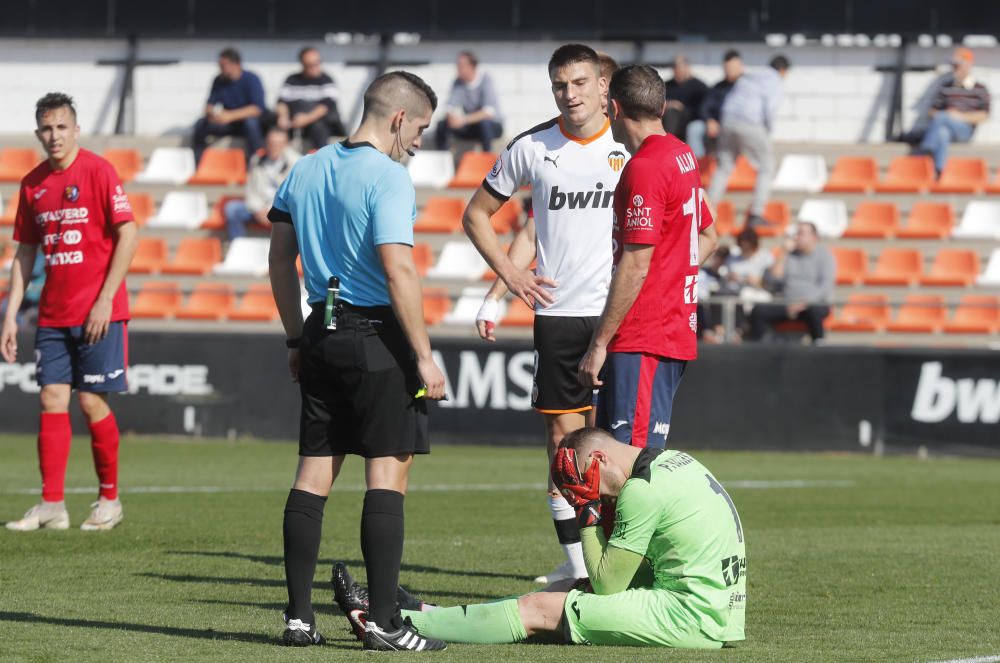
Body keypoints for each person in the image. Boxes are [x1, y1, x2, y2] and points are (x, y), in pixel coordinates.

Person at [267, 70, 448, 651]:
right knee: (387, 475)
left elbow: (278, 260)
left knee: (313, 475)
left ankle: (299, 620)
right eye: (419, 128)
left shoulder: (306, 166)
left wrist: (296, 337)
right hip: (376, 338)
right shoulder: (390, 177)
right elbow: (398, 269)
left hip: (320, 330)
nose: (418, 141)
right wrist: (423, 355)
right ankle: (387, 625)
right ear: (398, 118)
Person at [334, 427, 747, 649]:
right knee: (565, 588)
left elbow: (607, 585)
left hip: (691, 618)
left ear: (599, 459)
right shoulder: (674, 459)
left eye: (592, 487)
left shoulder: (641, 490)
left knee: (538, 608)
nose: (600, 498)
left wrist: (586, 514)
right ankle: (426, 609)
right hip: (715, 609)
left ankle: (394, 621)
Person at [464, 43, 628, 586]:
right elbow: (488, 218)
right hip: (559, 318)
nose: (570, 93)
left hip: (619, 315)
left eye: (580, 82)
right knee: (564, 447)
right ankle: (579, 567)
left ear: (604, 86)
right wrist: (503, 287)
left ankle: (624, 561)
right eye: (560, 84)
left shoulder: (632, 148)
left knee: (621, 443)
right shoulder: (533, 146)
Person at [2, 93, 138, 532]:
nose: (54, 135)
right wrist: (9, 313)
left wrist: (105, 297)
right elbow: (24, 252)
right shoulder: (32, 184)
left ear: (75, 129)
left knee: (90, 400)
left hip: (100, 311)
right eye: (46, 128)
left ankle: (109, 500)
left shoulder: (99, 171)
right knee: (50, 399)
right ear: (38, 132)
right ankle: (52, 505)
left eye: (61, 127)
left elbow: (129, 234)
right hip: (53, 315)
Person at [578, 65, 718, 449]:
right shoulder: (682, 154)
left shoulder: (646, 167)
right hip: (666, 330)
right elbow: (709, 235)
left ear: (615, 109)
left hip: (643, 335)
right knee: (615, 459)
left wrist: (599, 343)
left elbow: (637, 263)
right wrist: (671, 282)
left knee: (629, 460)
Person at [706, 55, 791, 228]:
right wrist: (767, 132)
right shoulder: (775, 80)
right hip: (751, 122)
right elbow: (770, 109)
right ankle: (756, 213)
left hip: (727, 121)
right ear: (783, 70)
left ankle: (705, 211)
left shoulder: (751, 76)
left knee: (723, 168)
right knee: (767, 167)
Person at [747, 221, 834, 343]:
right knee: (758, 310)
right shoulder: (789, 255)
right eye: (796, 233)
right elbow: (773, 281)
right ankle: (759, 348)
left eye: (801, 233)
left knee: (815, 311)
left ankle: (818, 344)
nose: (796, 237)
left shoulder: (825, 256)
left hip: (811, 304)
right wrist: (783, 253)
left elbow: (824, 287)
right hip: (787, 303)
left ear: (814, 237)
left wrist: (804, 302)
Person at [916, 47, 990, 176]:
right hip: (945, 128)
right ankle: (939, 171)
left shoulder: (980, 88)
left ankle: (926, 147)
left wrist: (958, 116)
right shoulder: (946, 87)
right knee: (942, 132)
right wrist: (947, 116)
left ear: (968, 65)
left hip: (965, 130)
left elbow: (984, 115)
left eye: (958, 65)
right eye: (953, 65)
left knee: (943, 117)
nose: (955, 69)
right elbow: (932, 111)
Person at [224, 126, 300, 239]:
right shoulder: (256, 160)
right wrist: (258, 209)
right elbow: (250, 190)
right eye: (271, 143)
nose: (274, 147)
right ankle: (239, 246)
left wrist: (271, 210)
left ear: (286, 145)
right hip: (259, 208)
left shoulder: (297, 163)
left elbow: (294, 196)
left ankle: (286, 253)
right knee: (232, 209)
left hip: (283, 210)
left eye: (279, 144)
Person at [192, 47, 267, 164]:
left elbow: (257, 109)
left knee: (251, 123)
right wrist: (214, 114)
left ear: (235, 64)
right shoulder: (218, 80)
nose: (220, 68)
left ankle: (257, 161)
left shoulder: (251, 79)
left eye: (223, 65)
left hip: (246, 124)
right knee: (201, 124)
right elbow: (209, 106)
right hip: (227, 124)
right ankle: (198, 162)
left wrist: (230, 116)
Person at [276, 46, 346, 151]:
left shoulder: (327, 80)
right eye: (310, 65)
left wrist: (306, 119)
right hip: (294, 125)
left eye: (317, 63)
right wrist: (283, 117)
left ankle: (321, 161)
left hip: (319, 126)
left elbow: (326, 106)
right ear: (302, 64)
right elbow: (282, 102)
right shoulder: (292, 80)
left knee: (318, 127)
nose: (314, 67)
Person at [434, 51, 504, 152]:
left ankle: (487, 160)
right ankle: (443, 157)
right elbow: (449, 106)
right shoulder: (458, 82)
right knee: (442, 125)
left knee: (484, 124)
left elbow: (489, 112)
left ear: (472, 66)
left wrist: (463, 120)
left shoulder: (486, 80)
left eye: (461, 65)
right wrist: (451, 118)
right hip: (470, 126)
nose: (457, 69)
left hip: (492, 127)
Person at [686, 50, 744, 159]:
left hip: (739, 124)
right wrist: (709, 120)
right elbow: (704, 107)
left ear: (741, 67)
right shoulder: (718, 87)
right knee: (694, 128)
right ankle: (699, 166)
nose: (729, 71)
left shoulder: (748, 87)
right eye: (727, 68)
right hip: (716, 124)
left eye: (733, 67)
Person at [662, 54, 708, 143]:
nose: (678, 71)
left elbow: (703, 109)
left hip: (691, 120)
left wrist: (681, 108)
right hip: (667, 118)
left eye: (680, 68)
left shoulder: (700, 87)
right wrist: (669, 104)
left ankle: (668, 143)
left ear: (687, 68)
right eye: (676, 68)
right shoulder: (666, 86)